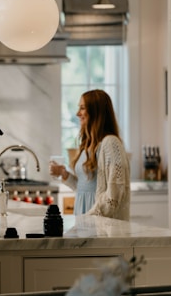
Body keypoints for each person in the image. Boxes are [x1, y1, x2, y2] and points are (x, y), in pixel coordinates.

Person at [49, 89, 130, 221]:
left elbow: (113, 198)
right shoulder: (87, 145)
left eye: (82, 108)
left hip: (101, 222)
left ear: (95, 112)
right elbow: (84, 189)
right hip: (85, 217)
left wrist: (88, 219)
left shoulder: (111, 143)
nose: (77, 113)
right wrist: (64, 174)